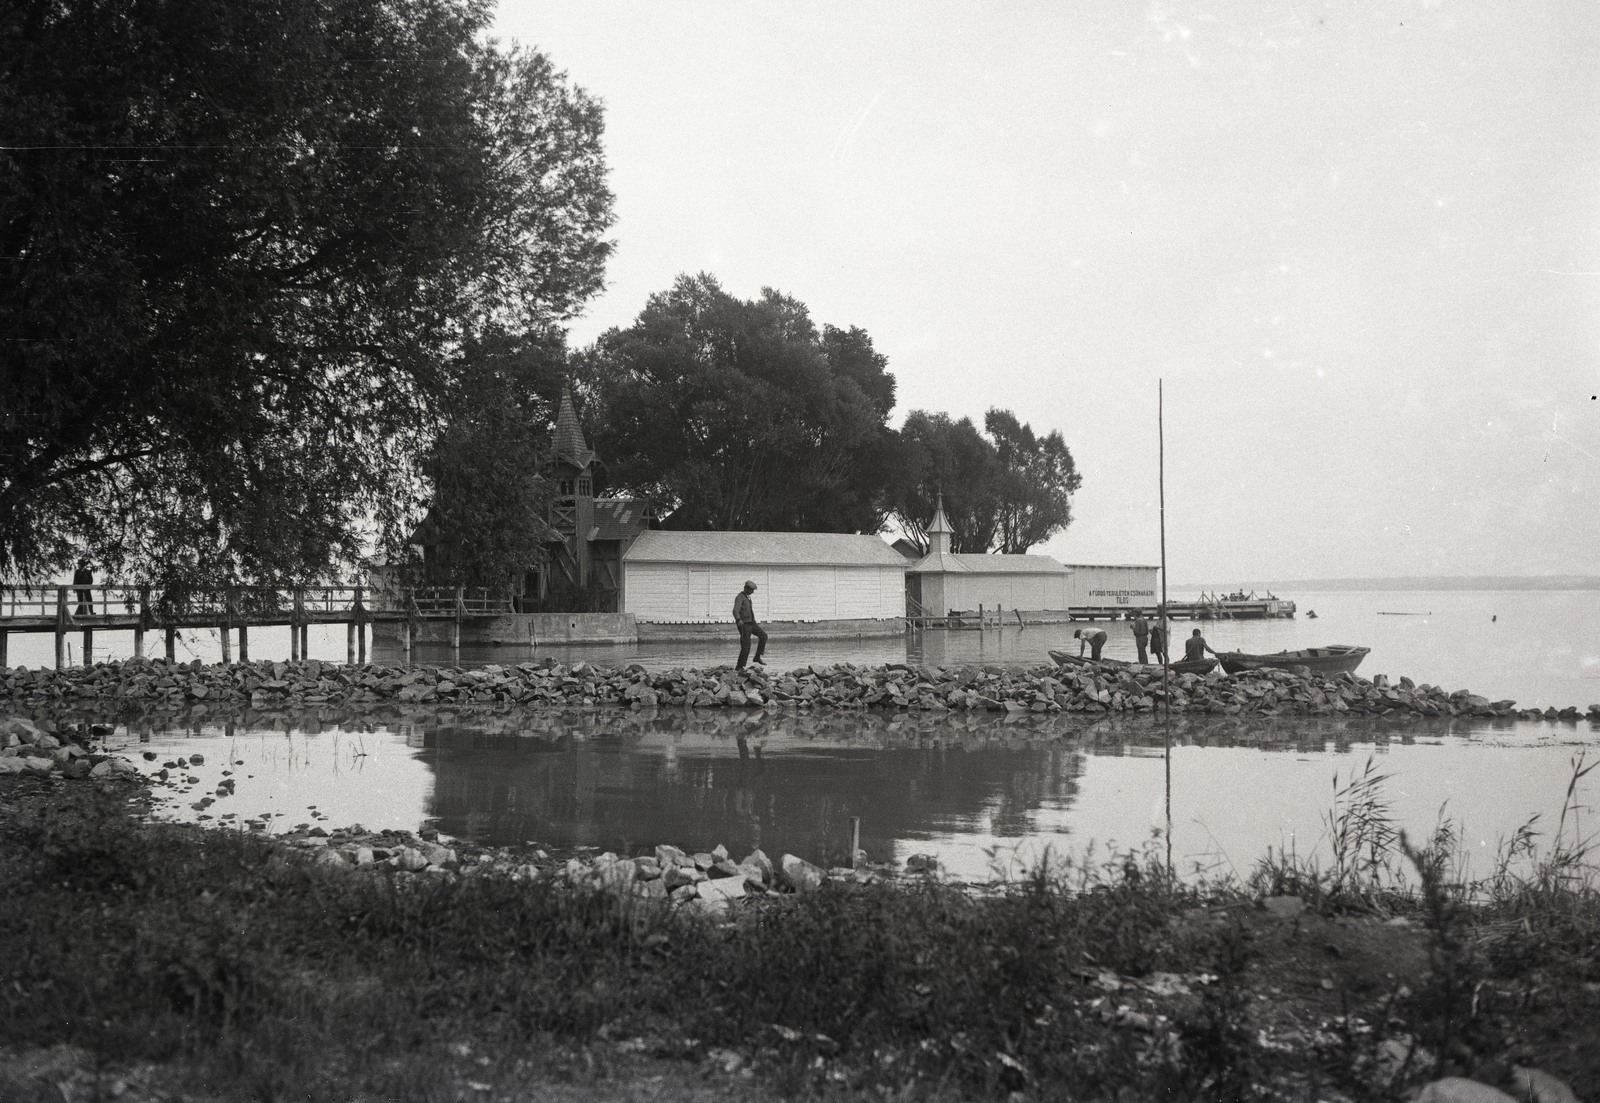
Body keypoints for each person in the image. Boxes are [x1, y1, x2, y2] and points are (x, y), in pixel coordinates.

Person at [732, 580, 767, 670]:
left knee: (763, 636)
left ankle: (757, 657)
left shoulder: (748, 597)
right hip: (744, 624)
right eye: (751, 590)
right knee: (746, 646)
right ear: (746, 588)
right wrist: (738, 619)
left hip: (752, 623)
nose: (753, 592)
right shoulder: (740, 597)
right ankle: (740, 666)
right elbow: (735, 610)